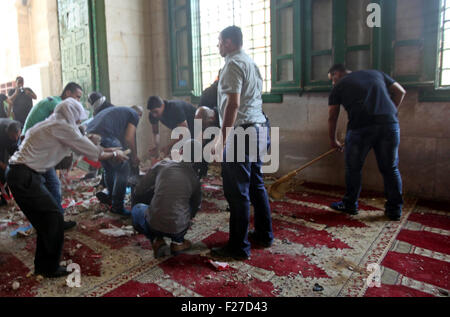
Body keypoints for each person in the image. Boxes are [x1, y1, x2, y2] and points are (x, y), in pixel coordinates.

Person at [6, 98, 130, 278]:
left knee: (46, 219)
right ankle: (48, 267)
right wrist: (115, 153)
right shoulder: (63, 127)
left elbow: (77, 141)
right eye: (78, 119)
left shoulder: (52, 122)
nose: (78, 123)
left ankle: (44, 265)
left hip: (21, 174)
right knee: (53, 216)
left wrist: (89, 139)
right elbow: (96, 154)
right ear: (71, 115)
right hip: (24, 176)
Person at [210, 26, 273, 261]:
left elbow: (233, 105)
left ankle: (238, 247)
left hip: (242, 133)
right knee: (256, 185)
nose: (218, 46)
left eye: (219, 41)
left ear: (227, 42)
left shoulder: (232, 65)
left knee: (237, 193)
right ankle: (264, 235)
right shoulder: (250, 62)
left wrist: (221, 139)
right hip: (259, 128)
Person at [327, 64, 407, 221]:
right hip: (389, 125)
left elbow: (332, 116)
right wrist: (390, 111)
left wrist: (333, 140)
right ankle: (395, 210)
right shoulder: (376, 73)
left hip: (360, 128)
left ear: (337, 74)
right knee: (390, 168)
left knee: (353, 168)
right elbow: (400, 91)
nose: (332, 83)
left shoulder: (339, 86)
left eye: (331, 79)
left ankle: (350, 205)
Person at [132, 141, 203, 258]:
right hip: (179, 228)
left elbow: (139, 189)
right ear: (198, 158)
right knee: (188, 205)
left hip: (154, 224)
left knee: (137, 209)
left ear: (180, 152)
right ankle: (178, 243)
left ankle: (156, 240)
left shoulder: (163, 164)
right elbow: (196, 207)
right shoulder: (194, 179)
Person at [87, 106, 142, 216]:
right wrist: (134, 156)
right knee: (123, 168)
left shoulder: (120, 112)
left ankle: (111, 198)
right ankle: (117, 206)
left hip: (91, 133)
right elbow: (129, 138)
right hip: (105, 134)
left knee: (109, 167)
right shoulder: (134, 115)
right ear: (139, 115)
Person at [0, 119, 21, 206]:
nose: (16, 138)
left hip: (9, 142)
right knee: (1, 171)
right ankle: (5, 196)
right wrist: (2, 165)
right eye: (13, 136)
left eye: (17, 136)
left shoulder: (22, 128)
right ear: (7, 133)